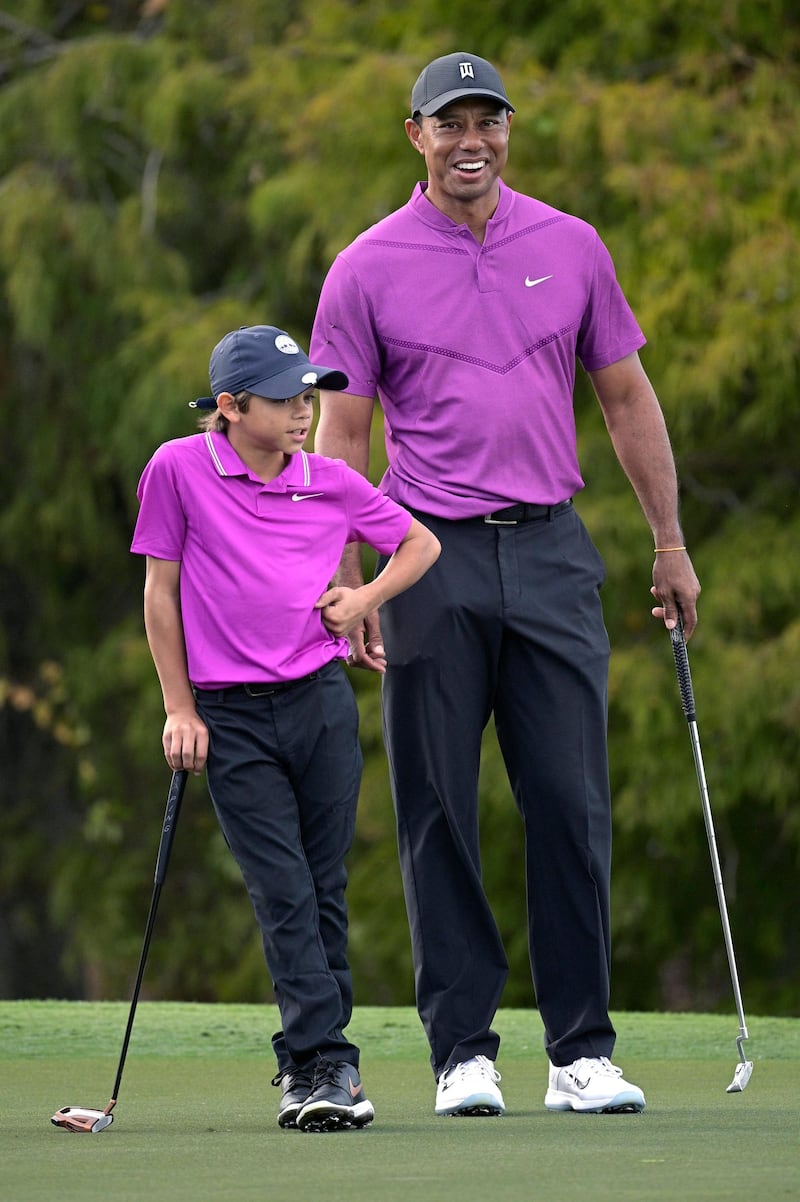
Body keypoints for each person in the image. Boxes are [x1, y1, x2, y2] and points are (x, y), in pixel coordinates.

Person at [310, 52, 701, 1117]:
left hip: (550, 549)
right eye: (449, 124)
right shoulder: (365, 265)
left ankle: (579, 1049)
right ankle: (461, 1053)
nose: (470, 140)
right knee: (437, 804)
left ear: (507, 130)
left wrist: (667, 540)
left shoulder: (569, 245)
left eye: (487, 120)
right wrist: (350, 574)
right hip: (425, 554)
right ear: (415, 137)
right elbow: (341, 430)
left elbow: (624, 397)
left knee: (570, 804)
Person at [130, 324, 440, 1133]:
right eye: (284, 398)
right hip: (228, 716)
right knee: (282, 891)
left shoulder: (330, 481)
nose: (303, 411)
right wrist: (179, 707)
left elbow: (418, 543)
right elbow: (161, 594)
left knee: (323, 886)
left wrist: (363, 600)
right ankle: (328, 1061)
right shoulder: (177, 469)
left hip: (318, 705)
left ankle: (313, 1064)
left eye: (308, 395)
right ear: (230, 408)